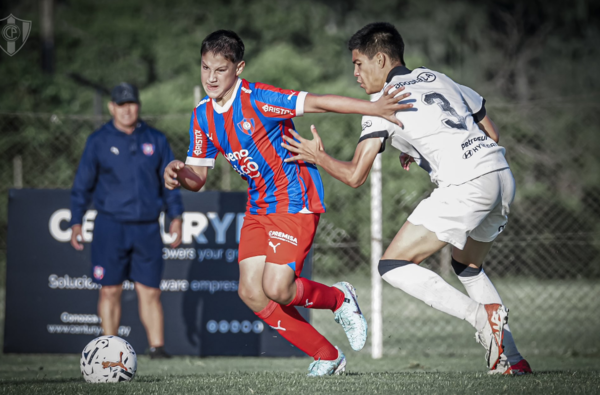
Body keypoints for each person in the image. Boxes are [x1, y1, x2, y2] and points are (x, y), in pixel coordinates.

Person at [282, 22, 532, 375]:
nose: (355, 73)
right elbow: (489, 131)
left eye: (358, 63)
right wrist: (418, 149)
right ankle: (512, 359)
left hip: (466, 184)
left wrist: (318, 157)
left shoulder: (382, 103)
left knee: (393, 265)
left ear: (380, 60)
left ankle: (480, 317)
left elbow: (355, 176)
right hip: (500, 175)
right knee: (467, 265)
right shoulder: (438, 77)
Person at [164, 30, 412, 376]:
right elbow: (198, 177)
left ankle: (339, 298)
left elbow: (320, 102)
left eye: (220, 69)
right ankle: (327, 356)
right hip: (259, 207)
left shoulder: (260, 98)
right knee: (251, 292)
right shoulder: (202, 116)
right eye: (205, 68)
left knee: (278, 288)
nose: (211, 77)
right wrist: (177, 172)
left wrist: (373, 108)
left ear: (239, 68)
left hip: (294, 199)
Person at [70, 83, 184, 359]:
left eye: (131, 103)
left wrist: (176, 217)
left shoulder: (156, 139)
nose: (127, 109)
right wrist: (76, 221)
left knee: (151, 291)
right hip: (111, 225)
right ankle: (108, 349)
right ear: (112, 107)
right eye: (121, 105)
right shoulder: (98, 140)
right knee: (110, 290)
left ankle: (157, 348)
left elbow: (171, 182)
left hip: (147, 227)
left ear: (138, 105)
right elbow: (82, 185)